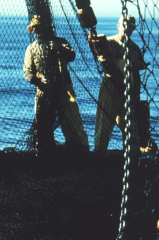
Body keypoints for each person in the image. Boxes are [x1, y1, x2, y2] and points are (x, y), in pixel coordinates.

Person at [23, 14, 88, 154]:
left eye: (39, 28)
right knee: (42, 126)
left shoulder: (60, 42)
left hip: (64, 90)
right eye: (35, 29)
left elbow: (71, 55)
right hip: (43, 92)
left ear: (46, 28)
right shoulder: (32, 49)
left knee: (72, 123)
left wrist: (59, 49)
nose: (37, 31)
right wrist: (39, 81)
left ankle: (79, 152)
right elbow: (27, 73)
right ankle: (43, 154)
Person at [93, 15, 147, 152]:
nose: (127, 29)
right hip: (109, 89)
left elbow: (136, 75)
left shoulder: (134, 49)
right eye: (125, 25)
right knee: (103, 127)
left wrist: (135, 95)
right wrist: (92, 42)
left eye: (131, 27)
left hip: (127, 92)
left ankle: (131, 159)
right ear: (118, 26)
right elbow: (98, 54)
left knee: (131, 130)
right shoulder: (109, 43)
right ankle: (99, 158)